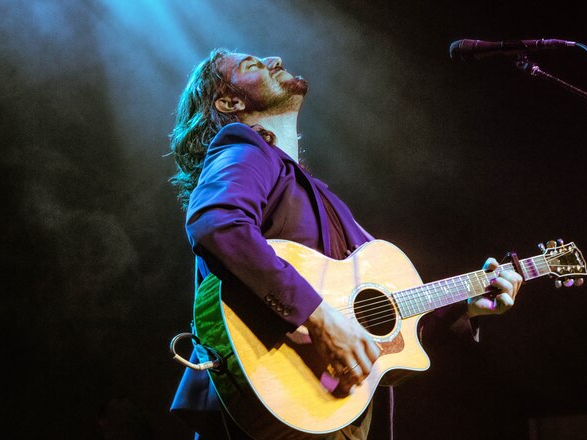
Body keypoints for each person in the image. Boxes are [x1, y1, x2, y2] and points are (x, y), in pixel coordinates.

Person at [168, 48, 523, 440]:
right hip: (270, 399)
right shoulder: (243, 148)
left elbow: (381, 321)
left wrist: (468, 306)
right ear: (231, 101)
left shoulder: (321, 199)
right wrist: (318, 319)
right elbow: (215, 223)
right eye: (253, 65)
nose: (275, 58)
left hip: (330, 411)